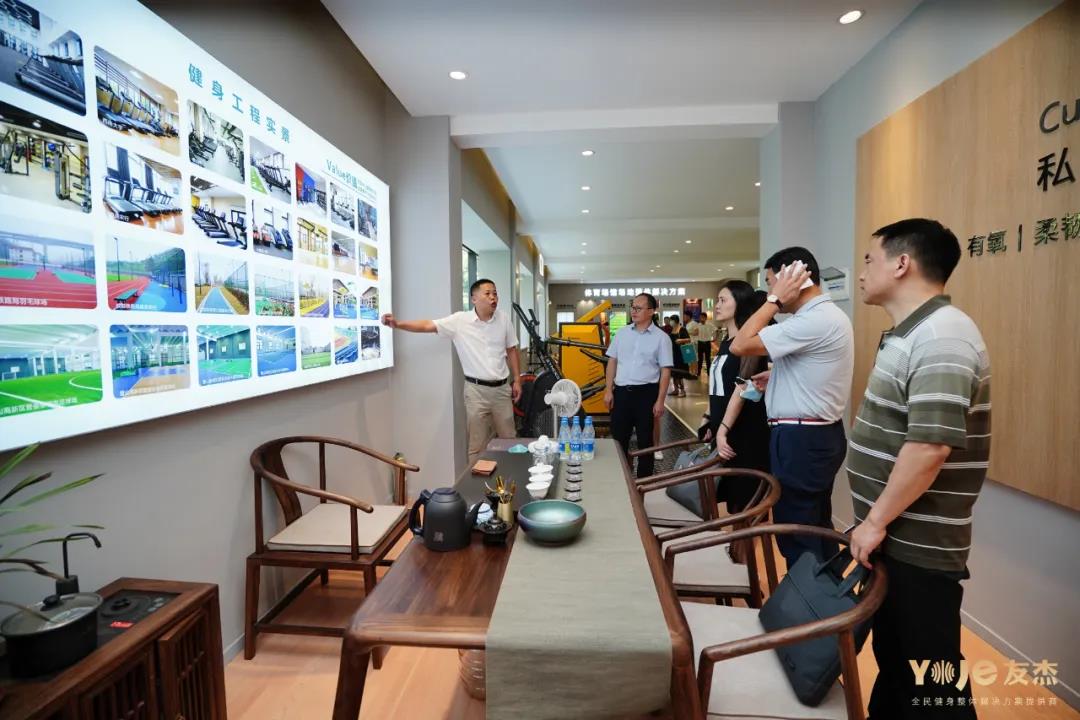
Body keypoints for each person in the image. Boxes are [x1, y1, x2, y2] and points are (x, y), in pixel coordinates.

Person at [847, 219, 989, 717]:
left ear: (901, 263)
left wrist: (874, 521)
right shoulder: (913, 332)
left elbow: (929, 447)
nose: (862, 272)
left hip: (918, 542)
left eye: (870, 259)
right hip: (896, 538)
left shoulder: (943, 336)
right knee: (898, 662)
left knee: (933, 679)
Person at [730, 246, 854, 566]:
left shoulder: (815, 320)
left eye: (772, 282)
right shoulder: (822, 318)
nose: (770, 289)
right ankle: (823, 593)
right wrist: (778, 375)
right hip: (812, 436)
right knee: (814, 526)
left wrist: (773, 301)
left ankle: (806, 596)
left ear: (795, 277)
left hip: (803, 440)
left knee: (796, 531)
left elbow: (740, 344)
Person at [381, 278, 521, 465]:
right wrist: (398, 324)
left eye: (495, 293)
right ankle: (477, 481)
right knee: (477, 444)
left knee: (509, 440)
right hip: (476, 392)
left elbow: (511, 349)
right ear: (474, 299)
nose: (493, 297)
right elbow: (428, 325)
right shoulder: (459, 321)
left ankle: (512, 477)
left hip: (502, 390)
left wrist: (517, 379)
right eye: (487, 293)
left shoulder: (504, 319)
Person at [702, 282, 771, 512]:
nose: (717, 305)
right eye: (718, 300)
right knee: (732, 501)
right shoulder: (725, 343)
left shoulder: (750, 343)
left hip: (745, 433)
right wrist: (708, 418)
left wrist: (723, 429)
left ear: (739, 303)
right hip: (724, 431)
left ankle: (746, 537)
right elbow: (718, 386)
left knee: (746, 503)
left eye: (723, 300)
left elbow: (743, 390)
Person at [604, 293, 672, 477]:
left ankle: (644, 482)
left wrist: (660, 401)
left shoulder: (661, 338)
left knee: (645, 442)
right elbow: (612, 361)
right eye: (632, 307)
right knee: (619, 440)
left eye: (638, 308)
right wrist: (608, 390)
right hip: (621, 394)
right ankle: (621, 478)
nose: (633, 311)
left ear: (651, 311)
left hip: (646, 395)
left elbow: (665, 371)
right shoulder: (622, 333)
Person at [668, 315, 691, 397]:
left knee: (679, 373)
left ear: (675, 321)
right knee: (674, 373)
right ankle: (676, 390)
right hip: (673, 354)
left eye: (671, 320)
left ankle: (683, 391)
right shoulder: (672, 329)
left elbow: (688, 339)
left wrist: (680, 340)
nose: (670, 322)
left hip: (681, 354)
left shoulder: (682, 329)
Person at [697, 311, 717, 377]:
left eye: (702, 317)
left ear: (705, 318)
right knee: (700, 359)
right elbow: (695, 333)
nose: (701, 318)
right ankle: (698, 372)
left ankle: (709, 372)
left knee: (708, 359)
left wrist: (715, 338)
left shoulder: (710, 325)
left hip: (707, 343)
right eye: (700, 317)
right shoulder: (698, 325)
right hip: (700, 343)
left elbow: (716, 330)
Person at [684, 310, 701, 375]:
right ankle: (690, 372)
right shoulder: (687, 324)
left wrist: (687, 333)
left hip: (693, 343)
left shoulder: (694, 323)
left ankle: (695, 372)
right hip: (688, 343)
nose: (684, 317)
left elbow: (696, 332)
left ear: (688, 316)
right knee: (689, 359)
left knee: (694, 359)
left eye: (685, 316)